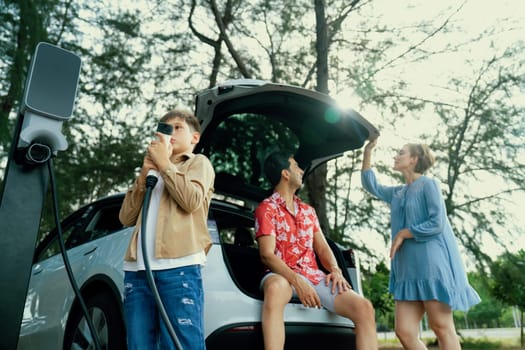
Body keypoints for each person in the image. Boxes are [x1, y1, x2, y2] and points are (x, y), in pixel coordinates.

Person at [361, 137, 480, 350]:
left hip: (431, 265)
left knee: (441, 327)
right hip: (406, 270)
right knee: (405, 331)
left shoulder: (429, 185)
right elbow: (372, 186)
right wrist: (368, 151)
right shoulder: (397, 192)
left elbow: (437, 223)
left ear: (414, 159)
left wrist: (404, 233)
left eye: (401, 153)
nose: (396, 156)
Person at [255, 151, 378, 350]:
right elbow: (267, 255)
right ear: (285, 174)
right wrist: (297, 282)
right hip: (281, 274)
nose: (301, 171)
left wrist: (335, 271)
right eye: (296, 166)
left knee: (364, 308)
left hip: (313, 276)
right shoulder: (266, 209)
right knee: (276, 288)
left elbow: (322, 248)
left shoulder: (308, 211)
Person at [119, 109, 215, 350]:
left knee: (180, 343)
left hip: (178, 267)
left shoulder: (198, 163)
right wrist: (144, 174)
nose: (170, 132)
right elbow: (126, 216)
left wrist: (164, 164)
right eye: (164, 128)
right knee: (139, 344)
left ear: (195, 138)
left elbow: (191, 200)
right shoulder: (152, 171)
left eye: (178, 127)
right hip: (138, 269)